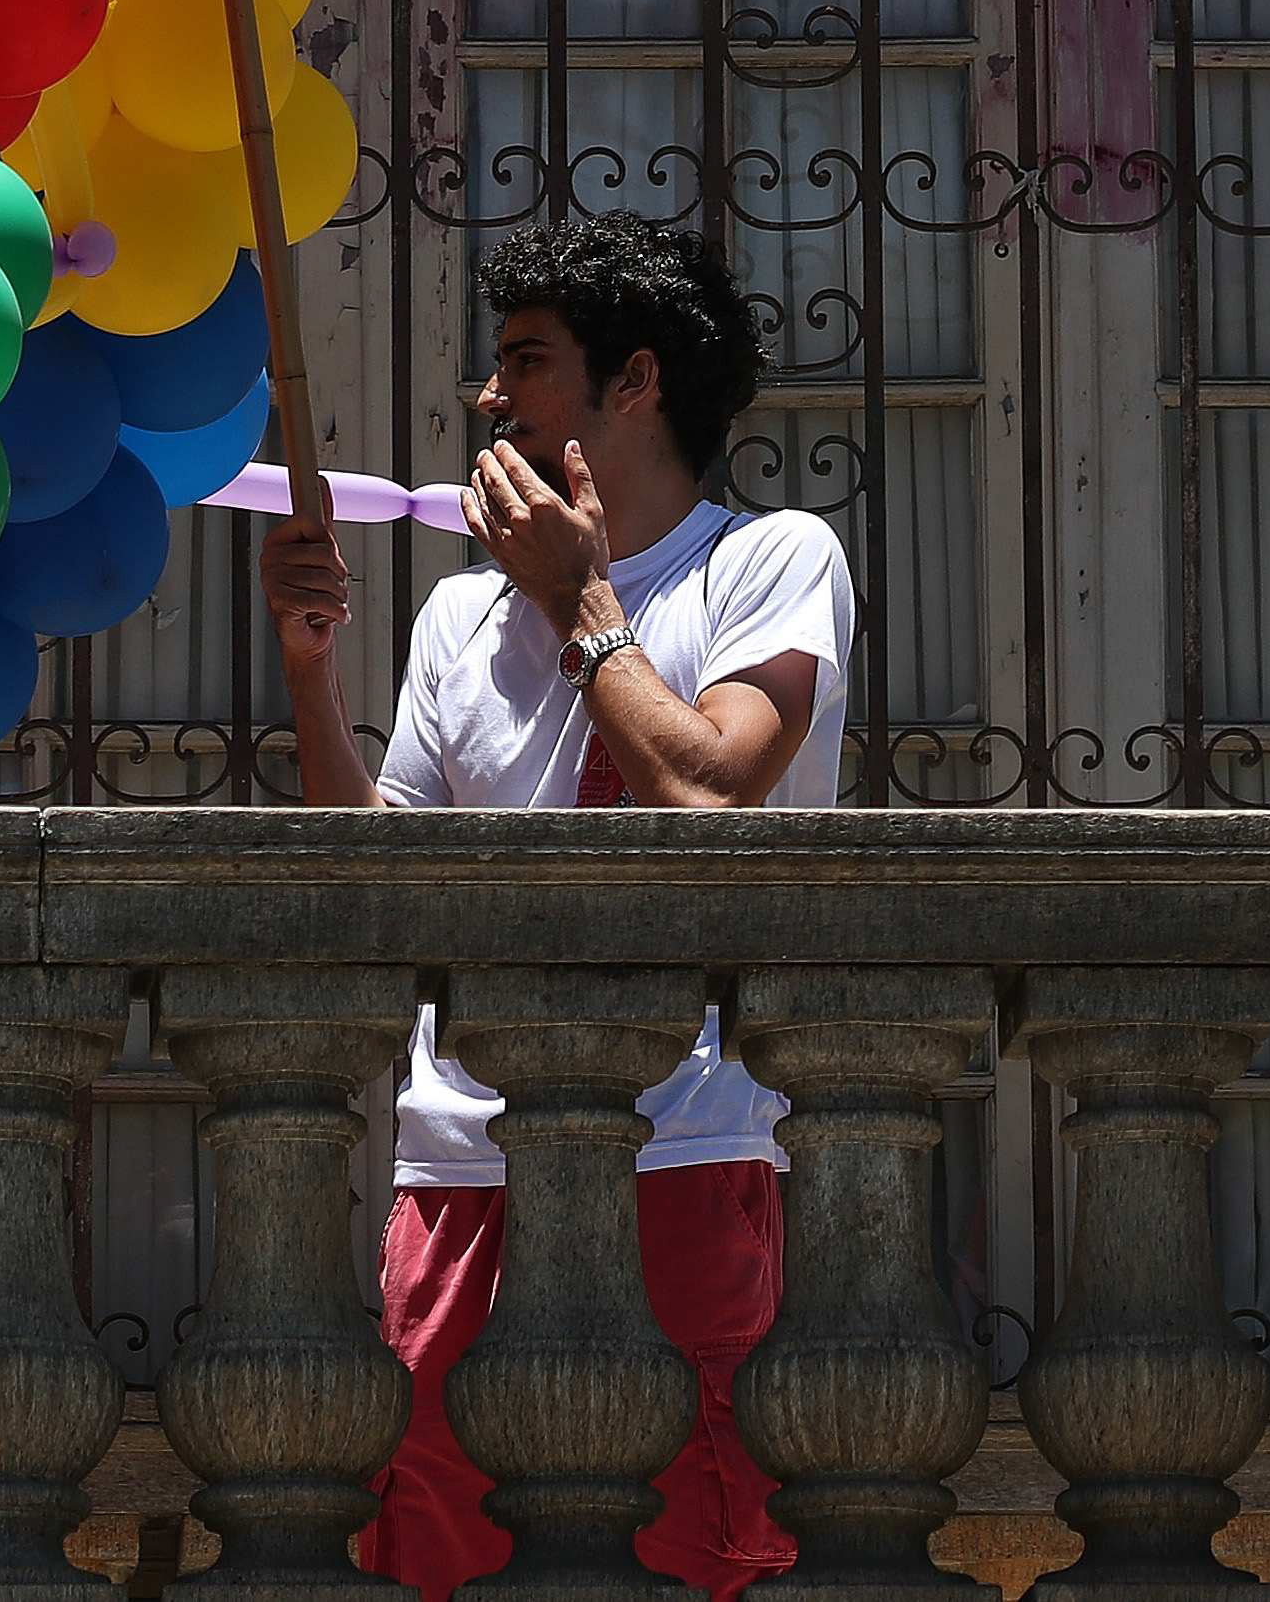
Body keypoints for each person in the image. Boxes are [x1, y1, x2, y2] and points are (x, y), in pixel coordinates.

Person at [261, 214, 849, 1602]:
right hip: (466, 1161)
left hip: (690, 1152)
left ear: (632, 384)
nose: (486, 398)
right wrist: (308, 676)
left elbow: (710, 794)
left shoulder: (768, 563)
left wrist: (582, 599)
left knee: (699, 1547)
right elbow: (381, 873)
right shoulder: (459, 616)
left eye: (524, 363)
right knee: (443, 1541)